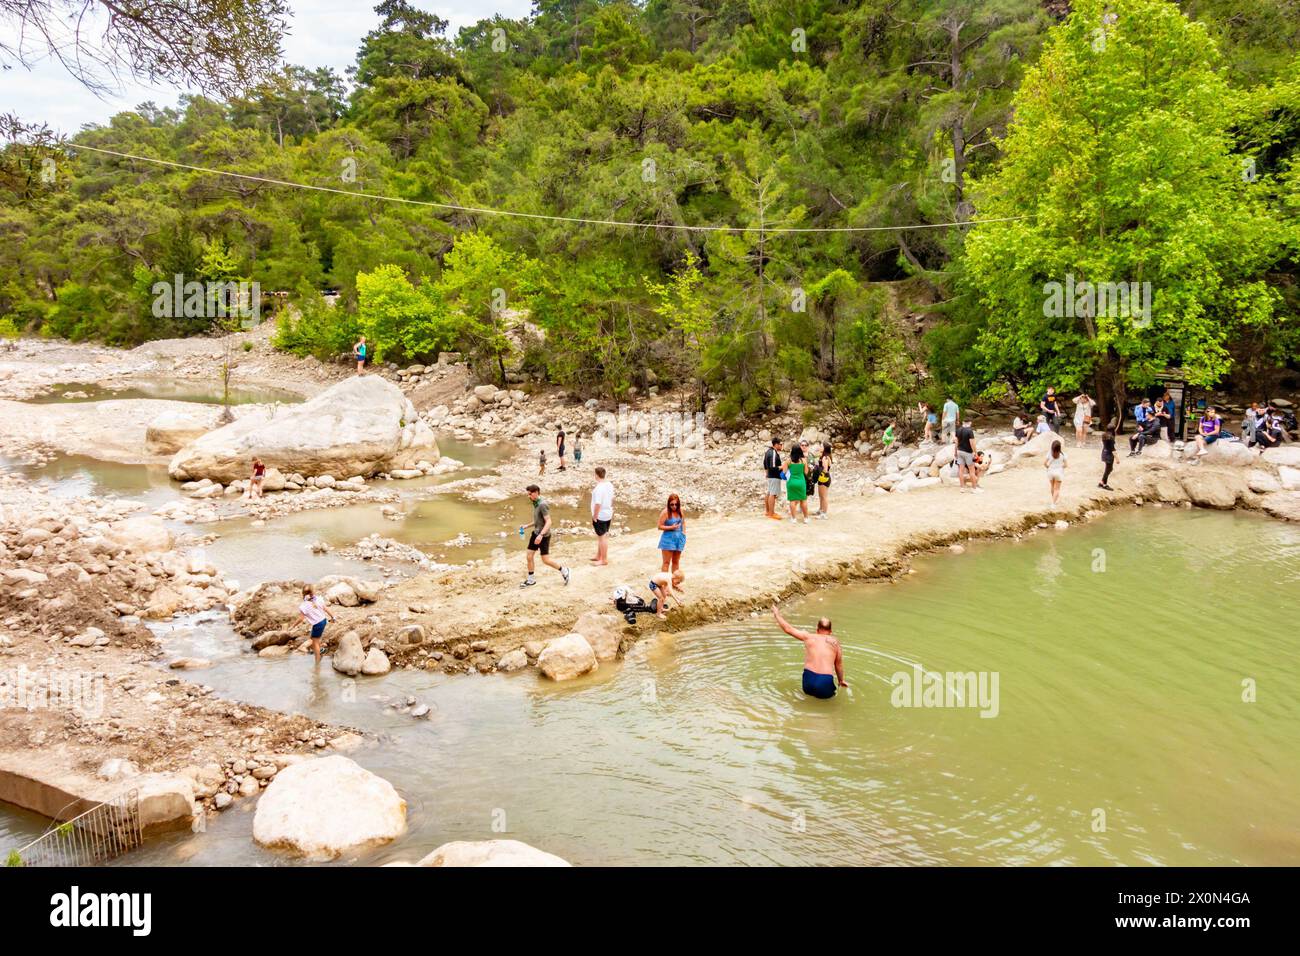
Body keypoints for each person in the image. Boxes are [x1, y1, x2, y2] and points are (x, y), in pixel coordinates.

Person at [771, 602, 846, 700]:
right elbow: (838, 665)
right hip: (825, 681)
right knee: (830, 705)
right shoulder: (835, 642)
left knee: (809, 698)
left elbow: (788, 629)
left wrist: (777, 614)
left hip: (808, 680)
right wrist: (841, 681)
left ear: (817, 629)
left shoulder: (808, 637)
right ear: (830, 631)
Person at [521, 485, 570, 588]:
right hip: (536, 533)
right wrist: (527, 526)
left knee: (545, 560)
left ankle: (564, 570)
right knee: (529, 556)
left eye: (530, 494)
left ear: (536, 492)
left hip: (543, 535)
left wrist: (541, 535)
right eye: (528, 494)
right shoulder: (535, 503)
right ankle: (531, 580)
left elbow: (549, 521)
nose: (529, 496)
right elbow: (538, 521)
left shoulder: (542, 505)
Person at [298, 584, 335, 665]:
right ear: (313, 592)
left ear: (303, 593)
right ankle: (321, 650)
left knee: (315, 642)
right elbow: (326, 609)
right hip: (323, 621)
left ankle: (317, 664)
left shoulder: (304, 605)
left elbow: (301, 619)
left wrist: (293, 626)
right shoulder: (318, 599)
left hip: (318, 624)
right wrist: (333, 617)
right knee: (313, 640)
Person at [657, 493, 686, 588]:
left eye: (676, 504)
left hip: (679, 539)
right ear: (668, 504)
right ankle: (664, 585)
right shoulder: (665, 512)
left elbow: (683, 522)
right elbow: (659, 526)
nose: (674, 506)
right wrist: (671, 527)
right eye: (672, 504)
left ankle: (674, 583)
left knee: (676, 562)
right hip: (668, 540)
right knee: (666, 563)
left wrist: (684, 534)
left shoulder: (680, 511)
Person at [590, 466, 614, 566]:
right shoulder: (609, 484)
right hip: (608, 513)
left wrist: (595, 516)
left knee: (602, 537)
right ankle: (598, 556)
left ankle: (603, 560)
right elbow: (612, 498)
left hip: (600, 515)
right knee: (602, 536)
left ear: (596, 475)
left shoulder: (599, 488)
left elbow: (598, 504)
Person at [955, 419, 982, 493]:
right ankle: (974, 488)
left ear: (963, 422)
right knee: (972, 471)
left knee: (960, 470)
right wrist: (975, 453)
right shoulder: (969, 431)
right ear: (970, 423)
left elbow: (956, 442)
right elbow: (972, 443)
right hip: (968, 453)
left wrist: (955, 452)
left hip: (959, 451)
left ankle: (962, 488)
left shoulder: (958, 430)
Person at [785, 442, 810, 522]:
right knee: (803, 500)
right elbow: (806, 472)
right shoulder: (803, 460)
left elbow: (785, 472)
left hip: (791, 482)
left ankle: (793, 519)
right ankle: (806, 518)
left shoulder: (788, 461)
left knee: (792, 500)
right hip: (801, 482)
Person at [763, 437, 784, 520]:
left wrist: (767, 473)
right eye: (780, 444)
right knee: (773, 494)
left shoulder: (768, 451)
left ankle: (768, 511)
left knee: (769, 493)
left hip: (770, 476)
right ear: (776, 444)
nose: (782, 446)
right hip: (774, 476)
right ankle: (771, 513)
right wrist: (783, 466)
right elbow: (773, 467)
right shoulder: (773, 453)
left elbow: (765, 464)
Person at [1045, 439, 1067, 505]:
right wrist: (1060, 467)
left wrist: (1048, 468)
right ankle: (1053, 503)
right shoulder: (1063, 455)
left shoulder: (1049, 453)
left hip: (1050, 472)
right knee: (1057, 489)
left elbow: (1045, 464)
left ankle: (1053, 500)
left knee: (1052, 486)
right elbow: (1065, 465)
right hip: (1058, 472)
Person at [813, 443, 832, 519]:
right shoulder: (823, 456)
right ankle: (820, 510)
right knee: (821, 496)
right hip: (821, 477)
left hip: (824, 478)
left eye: (821, 446)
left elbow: (825, 469)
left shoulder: (825, 458)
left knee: (824, 496)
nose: (820, 447)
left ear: (825, 448)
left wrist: (817, 468)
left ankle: (824, 513)